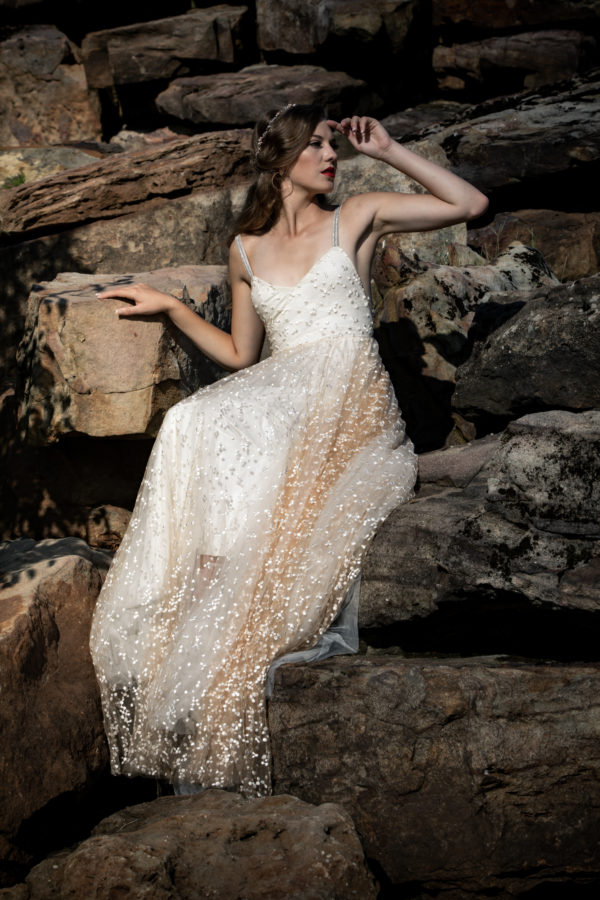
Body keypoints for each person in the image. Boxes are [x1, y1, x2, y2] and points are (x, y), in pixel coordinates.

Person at [90, 105, 488, 798]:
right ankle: (207, 585)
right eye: (313, 145)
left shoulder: (357, 214)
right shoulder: (246, 249)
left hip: (349, 393)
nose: (328, 154)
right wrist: (174, 310)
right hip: (285, 385)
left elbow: (470, 202)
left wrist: (390, 148)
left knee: (244, 428)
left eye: (331, 143)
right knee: (190, 418)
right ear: (279, 161)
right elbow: (244, 355)